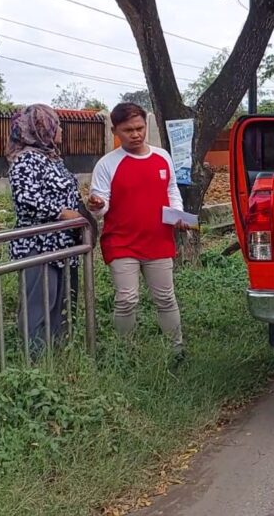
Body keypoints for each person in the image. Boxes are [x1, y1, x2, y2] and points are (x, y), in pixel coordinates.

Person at [87, 102, 189, 360]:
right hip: (122, 243)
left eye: (140, 128)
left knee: (166, 298)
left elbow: (172, 189)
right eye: (128, 130)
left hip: (158, 240)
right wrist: (97, 205)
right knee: (127, 299)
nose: (135, 134)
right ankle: (126, 352)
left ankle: (176, 350)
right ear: (115, 131)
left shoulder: (162, 156)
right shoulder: (107, 164)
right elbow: (100, 203)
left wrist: (178, 213)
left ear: (146, 126)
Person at [7, 103, 83, 358]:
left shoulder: (51, 158)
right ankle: (34, 362)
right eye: (57, 124)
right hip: (38, 245)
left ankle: (56, 357)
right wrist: (61, 212)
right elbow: (26, 198)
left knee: (58, 306)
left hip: (61, 245)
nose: (61, 129)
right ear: (43, 128)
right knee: (38, 305)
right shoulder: (26, 159)